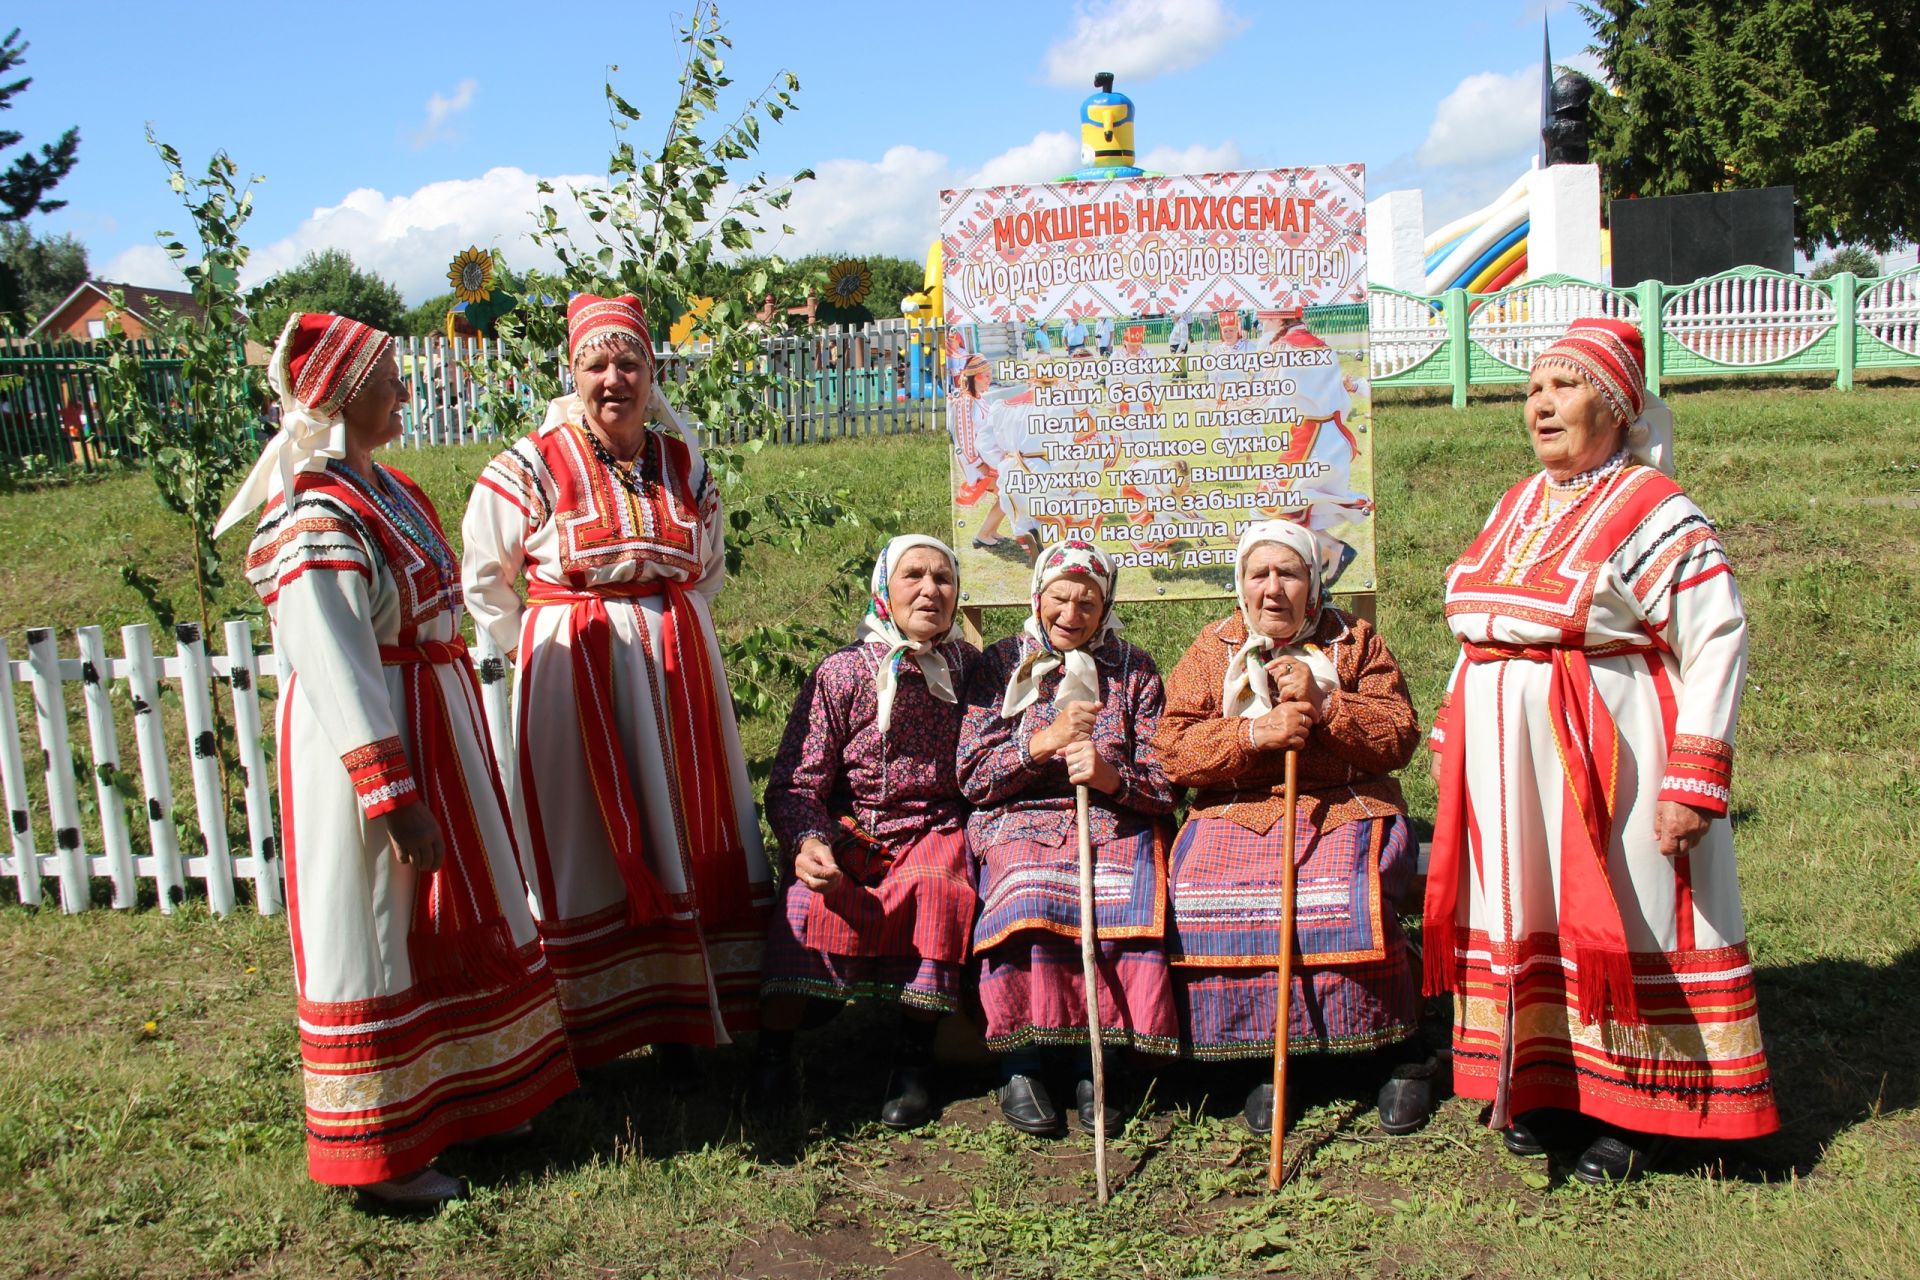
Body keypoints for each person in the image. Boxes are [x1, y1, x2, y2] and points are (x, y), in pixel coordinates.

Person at [223, 313, 577, 1208]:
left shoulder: (394, 488)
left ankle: (470, 1096)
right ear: (343, 397)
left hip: (434, 714)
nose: (405, 395)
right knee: (377, 923)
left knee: (458, 911)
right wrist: (390, 792)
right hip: (370, 739)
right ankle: (382, 1152)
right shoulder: (314, 517)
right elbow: (336, 660)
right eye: (390, 382)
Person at [1423, 318, 1780, 1184]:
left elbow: (1715, 639)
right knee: (1530, 912)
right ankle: (1550, 1082)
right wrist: (1450, 734)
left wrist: (1693, 779)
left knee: (1634, 909)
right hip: (1511, 765)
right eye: (1533, 390)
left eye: (1565, 387)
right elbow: (1481, 635)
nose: (1541, 406)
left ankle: (1649, 1102)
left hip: (1618, 755)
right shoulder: (1516, 502)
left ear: (1618, 408)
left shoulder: (1660, 511)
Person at [463, 294, 772, 1071]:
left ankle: (690, 1013)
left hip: (678, 679)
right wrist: (551, 647)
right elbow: (485, 584)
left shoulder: (683, 462)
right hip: (574, 685)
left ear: (652, 371)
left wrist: (666, 633)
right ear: (573, 372)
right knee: (584, 844)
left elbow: (709, 568)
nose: (613, 379)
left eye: (628, 361)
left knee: (688, 831)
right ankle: (593, 1027)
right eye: (595, 364)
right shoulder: (526, 466)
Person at [1153, 521, 1431, 1136]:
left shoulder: (1353, 642)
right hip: (1236, 810)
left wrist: (1328, 705)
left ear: (1314, 582)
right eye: (1260, 574)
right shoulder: (1215, 647)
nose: (1273, 589)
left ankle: (1394, 1051)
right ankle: (1265, 1053)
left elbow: (1399, 736)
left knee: (1344, 892)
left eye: (1290, 573)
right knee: (1201, 891)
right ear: (1240, 584)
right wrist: (1254, 734)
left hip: (1347, 803)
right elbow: (1170, 749)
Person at [751, 536, 981, 1128]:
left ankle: (913, 1060)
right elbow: (795, 782)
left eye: (943, 578)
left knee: (939, 890)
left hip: (934, 825)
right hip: (853, 830)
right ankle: (773, 1056)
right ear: (884, 589)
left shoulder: (971, 670)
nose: (930, 590)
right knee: (805, 902)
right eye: (913, 576)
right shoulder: (842, 673)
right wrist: (808, 842)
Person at [958, 542, 1177, 1135]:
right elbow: (972, 777)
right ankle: (1020, 1061)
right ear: (1038, 596)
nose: (1072, 614)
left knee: (1118, 899)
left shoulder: (1134, 668)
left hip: (1112, 818)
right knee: (1025, 892)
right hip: (1017, 817)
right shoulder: (1001, 663)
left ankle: (1094, 1061)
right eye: (1060, 598)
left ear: (1105, 607)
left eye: (1088, 602)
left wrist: (1110, 776)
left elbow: (1164, 782)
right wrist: (1042, 743)